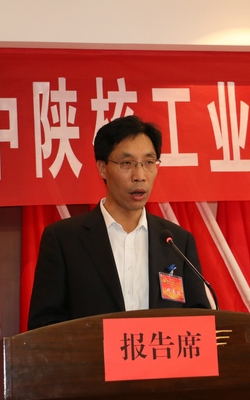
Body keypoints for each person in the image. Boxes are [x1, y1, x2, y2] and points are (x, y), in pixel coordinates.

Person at [27, 115, 211, 330]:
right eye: (126, 163)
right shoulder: (64, 239)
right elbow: (44, 326)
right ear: (102, 168)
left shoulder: (176, 241)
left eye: (148, 163)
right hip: (93, 353)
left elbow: (199, 320)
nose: (140, 176)